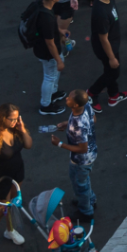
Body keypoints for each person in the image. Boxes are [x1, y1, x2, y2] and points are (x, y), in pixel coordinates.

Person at [0, 105, 33, 246]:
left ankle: (9, 230)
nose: (15, 122)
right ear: (2, 118)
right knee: (0, 211)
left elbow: (28, 145)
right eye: (12, 119)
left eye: (17, 118)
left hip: (16, 175)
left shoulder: (16, 129)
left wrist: (22, 129)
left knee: (12, 204)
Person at [52, 90, 97, 229]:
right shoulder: (86, 107)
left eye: (69, 98)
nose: (66, 98)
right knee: (83, 182)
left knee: (80, 185)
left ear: (76, 104)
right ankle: (90, 200)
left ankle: (86, 212)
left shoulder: (78, 125)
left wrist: (60, 144)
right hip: (92, 153)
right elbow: (93, 119)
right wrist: (68, 124)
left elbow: (82, 148)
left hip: (81, 160)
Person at [29, 0, 67, 114]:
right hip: (47, 53)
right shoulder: (47, 19)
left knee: (52, 75)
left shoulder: (41, 4)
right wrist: (59, 60)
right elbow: (50, 43)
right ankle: (45, 105)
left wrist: (59, 30)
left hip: (40, 48)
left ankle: (53, 93)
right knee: (50, 76)